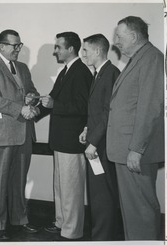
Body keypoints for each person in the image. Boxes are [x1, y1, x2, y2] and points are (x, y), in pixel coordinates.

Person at [106, 16, 164, 240]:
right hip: (126, 149)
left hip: (135, 151)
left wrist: (137, 148)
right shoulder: (140, 58)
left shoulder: (151, 59)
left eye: (119, 37)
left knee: (140, 210)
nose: (115, 42)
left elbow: (150, 107)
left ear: (133, 36)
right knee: (132, 212)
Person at [0, 29, 40, 241]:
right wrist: (20, 109)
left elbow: (31, 90)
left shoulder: (22, 68)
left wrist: (32, 98)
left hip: (24, 133)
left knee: (18, 180)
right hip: (1, 134)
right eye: (14, 45)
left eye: (19, 45)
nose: (17, 49)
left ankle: (19, 220)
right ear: (2, 46)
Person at [42, 32, 92, 240]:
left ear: (70, 48)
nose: (56, 51)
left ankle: (71, 232)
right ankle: (61, 223)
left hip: (72, 142)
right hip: (61, 141)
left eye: (58, 47)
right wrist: (36, 102)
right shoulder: (66, 71)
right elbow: (53, 98)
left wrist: (55, 105)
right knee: (61, 187)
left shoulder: (81, 72)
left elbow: (83, 106)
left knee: (71, 189)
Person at [79, 34, 121, 241]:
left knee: (102, 196)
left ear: (97, 51)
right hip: (97, 143)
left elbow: (108, 112)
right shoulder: (100, 73)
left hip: (101, 147)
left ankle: (102, 238)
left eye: (85, 50)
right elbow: (97, 111)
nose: (82, 54)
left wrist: (93, 142)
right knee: (98, 195)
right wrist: (87, 129)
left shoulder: (111, 73)